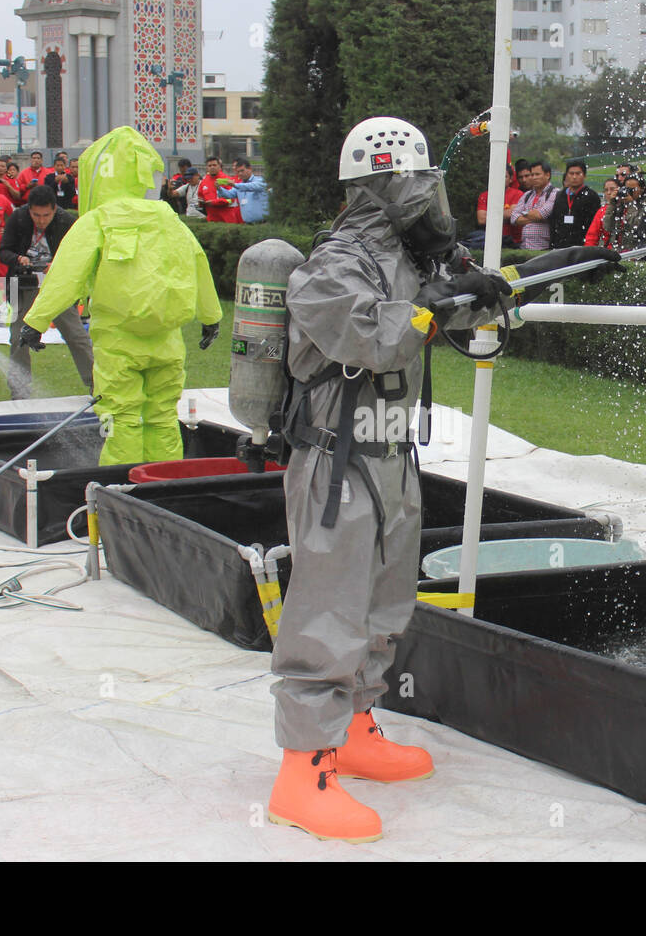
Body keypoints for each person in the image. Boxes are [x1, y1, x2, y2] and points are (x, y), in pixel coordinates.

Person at [268, 115, 522, 845]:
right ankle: (301, 768)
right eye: (412, 185)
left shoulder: (417, 260)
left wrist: (485, 288)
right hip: (335, 459)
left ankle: (353, 728)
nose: (426, 200)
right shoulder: (330, 267)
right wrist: (441, 298)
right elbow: (374, 335)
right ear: (376, 188)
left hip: (392, 457)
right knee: (328, 609)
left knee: (384, 601)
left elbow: (459, 322)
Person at [16, 125, 221, 464]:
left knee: (121, 419)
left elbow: (66, 275)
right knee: (163, 418)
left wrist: (36, 320)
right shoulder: (169, 219)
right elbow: (198, 264)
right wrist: (211, 317)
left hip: (118, 340)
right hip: (167, 339)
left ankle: (122, 495)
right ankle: (163, 488)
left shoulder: (97, 221)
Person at [0, 184, 94, 400]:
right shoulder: (18, 218)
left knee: (77, 335)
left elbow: (81, 255)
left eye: (46, 215)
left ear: (55, 210)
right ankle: (20, 392)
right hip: (23, 286)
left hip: (56, 288)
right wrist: (17, 259)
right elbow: (3, 251)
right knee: (18, 337)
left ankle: (96, 386)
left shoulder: (67, 221)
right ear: (29, 209)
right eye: (36, 215)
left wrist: (58, 264)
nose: (41, 220)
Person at [550, 159, 601, 249]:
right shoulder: (560, 195)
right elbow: (554, 221)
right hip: (560, 245)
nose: (574, 177)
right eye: (571, 173)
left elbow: (594, 224)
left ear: (584, 176)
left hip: (581, 245)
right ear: (566, 175)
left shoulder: (591, 196)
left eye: (578, 174)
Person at [508, 160, 558, 250]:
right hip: (524, 247)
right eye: (532, 175)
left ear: (547, 175)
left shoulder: (555, 193)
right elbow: (513, 218)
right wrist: (535, 217)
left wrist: (523, 214)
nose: (534, 178)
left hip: (544, 248)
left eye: (537, 174)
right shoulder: (527, 195)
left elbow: (541, 214)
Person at [197, 156, 243, 223]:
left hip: (227, 219)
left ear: (219, 166)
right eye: (209, 165)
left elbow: (231, 199)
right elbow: (200, 196)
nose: (212, 167)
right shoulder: (203, 182)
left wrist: (214, 202)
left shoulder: (227, 180)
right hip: (211, 218)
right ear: (207, 168)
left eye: (214, 165)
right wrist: (200, 202)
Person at [224, 158, 270, 222]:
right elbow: (228, 194)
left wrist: (235, 185)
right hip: (247, 224)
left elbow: (251, 186)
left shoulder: (260, 180)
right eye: (238, 172)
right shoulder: (239, 185)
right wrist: (219, 188)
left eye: (242, 171)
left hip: (263, 224)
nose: (240, 174)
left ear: (250, 169)